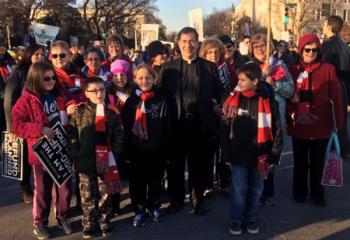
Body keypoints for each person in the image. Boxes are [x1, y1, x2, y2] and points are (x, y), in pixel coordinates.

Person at [159, 27, 221, 215]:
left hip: (199, 124)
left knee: (198, 165)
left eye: (192, 41)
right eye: (185, 41)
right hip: (175, 124)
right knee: (175, 166)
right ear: (178, 44)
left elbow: (219, 92)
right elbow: (159, 94)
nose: (189, 45)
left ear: (198, 43)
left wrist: (223, 103)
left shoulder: (209, 67)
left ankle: (197, 199)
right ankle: (176, 199)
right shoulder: (167, 68)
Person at [11, 61, 72, 240]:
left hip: (61, 149)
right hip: (41, 153)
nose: (51, 81)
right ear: (36, 78)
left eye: (53, 77)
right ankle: (40, 222)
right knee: (42, 190)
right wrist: (40, 130)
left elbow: (72, 103)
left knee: (65, 187)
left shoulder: (60, 94)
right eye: (46, 78)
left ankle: (63, 217)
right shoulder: (25, 100)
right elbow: (18, 126)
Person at [221, 63, 282, 236]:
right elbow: (225, 128)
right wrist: (225, 153)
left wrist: (274, 155)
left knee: (256, 189)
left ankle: (251, 218)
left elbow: (277, 130)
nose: (238, 82)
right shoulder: (232, 100)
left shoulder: (269, 101)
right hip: (238, 154)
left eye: (242, 79)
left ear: (255, 81)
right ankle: (236, 219)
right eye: (238, 79)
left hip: (260, 154)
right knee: (239, 189)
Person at [287, 34, 343, 207]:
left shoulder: (328, 69)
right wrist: (290, 110)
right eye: (307, 49)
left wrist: (337, 123)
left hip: (321, 124)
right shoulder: (293, 70)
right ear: (301, 50)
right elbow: (285, 95)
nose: (310, 53)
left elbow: (336, 98)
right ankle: (299, 191)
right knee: (300, 161)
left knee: (318, 162)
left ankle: (317, 193)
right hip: (300, 124)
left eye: (314, 50)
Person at [67, 77, 123, 239]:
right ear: (86, 93)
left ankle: (104, 220)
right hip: (84, 160)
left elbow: (119, 135)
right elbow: (72, 136)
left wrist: (115, 154)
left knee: (104, 192)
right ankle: (88, 222)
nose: (99, 93)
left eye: (102, 89)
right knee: (87, 194)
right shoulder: (79, 111)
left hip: (106, 159)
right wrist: (76, 155)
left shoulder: (112, 112)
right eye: (94, 90)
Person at [122, 64, 168, 227]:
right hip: (136, 150)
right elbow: (126, 127)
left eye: (148, 77)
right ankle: (139, 209)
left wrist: (165, 148)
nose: (144, 81)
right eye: (140, 78)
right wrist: (127, 150)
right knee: (137, 182)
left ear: (154, 79)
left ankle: (154, 205)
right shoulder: (130, 102)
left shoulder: (161, 100)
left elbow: (166, 125)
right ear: (135, 79)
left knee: (156, 180)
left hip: (156, 149)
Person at [250, 33, 294, 206]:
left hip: (274, 119)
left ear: (270, 46)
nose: (261, 49)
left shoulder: (280, 65)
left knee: (271, 155)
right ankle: (253, 190)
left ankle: (268, 192)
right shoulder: (249, 67)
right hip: (255, 119)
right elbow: (243, 89)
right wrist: (260, 76)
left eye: (264, 45)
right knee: (254, 156)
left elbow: (290, 90)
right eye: (257, 46)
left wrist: (276, 84)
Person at [4, 44, 45, 204]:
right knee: (23, 159)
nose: (40, 57)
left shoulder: (43, 72)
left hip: (39, 123)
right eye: (36, 54)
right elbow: (9, 100)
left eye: (42, 54)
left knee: (37, 157)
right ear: (29, 56)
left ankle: (41, 187)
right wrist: (12, 126)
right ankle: (25, 188)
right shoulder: (19, 73)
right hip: (21, 124)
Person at [322, 15, 350, 159]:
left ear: (328, 26)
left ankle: (331, 152)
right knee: (341, 120)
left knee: (330, 120)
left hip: (331, 86)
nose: (323, 26)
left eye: (324, 24)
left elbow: (322, 69)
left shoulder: (326, 46)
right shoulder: (345, 45)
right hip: (344, 87)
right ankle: (343, 150)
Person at [0, 36, 15, 139]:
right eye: (0, 45)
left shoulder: (9, 60)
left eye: (3, 45)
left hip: (9, 99)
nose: (2, 47)